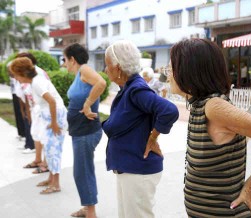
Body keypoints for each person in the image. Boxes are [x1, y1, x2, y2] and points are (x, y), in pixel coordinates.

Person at [166, 38, 251, 217]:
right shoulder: (199, 104)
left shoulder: (214, 106)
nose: (168, 75)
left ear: (190, 71)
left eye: (170, 69)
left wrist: (250, 187)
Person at [103, 40, 179, 218]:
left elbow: (169, 110)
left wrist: (153, 138)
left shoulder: (136, 90)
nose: (105, 70)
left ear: (118, 67)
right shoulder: (128, 88)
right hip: (129, 168)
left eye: (107, 65)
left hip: (138, 170)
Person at [10, 57, 68, 194]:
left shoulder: (37, 83)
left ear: (22, 73)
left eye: (16, 75)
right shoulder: (34, 82)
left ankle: (56, 184)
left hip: (55, 118)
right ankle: (51, 179)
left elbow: (52, 101)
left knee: (54, 151)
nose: (16, 79)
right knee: (49, 149)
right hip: (50, 118)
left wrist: (54, 123)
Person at [62, 43, 106, 218]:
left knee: (82, 171)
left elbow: (101, 83)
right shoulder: (80, 74)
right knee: (82, 170)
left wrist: (87, 104)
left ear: (72, 59)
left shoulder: (85, 69)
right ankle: (88, 208)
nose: (64, 63)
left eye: (65, 59)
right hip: (80, 131)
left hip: (87, 131)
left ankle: (91, 213)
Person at [14, 53, 49, 174]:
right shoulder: (26, 74)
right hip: (34, 107)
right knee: (36, 134)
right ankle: (38, 159)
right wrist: (28, 111)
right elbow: (25, 93)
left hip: (42, 108)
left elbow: (48, 97)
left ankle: (46, 163)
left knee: (44, 135)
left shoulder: (38, 74)